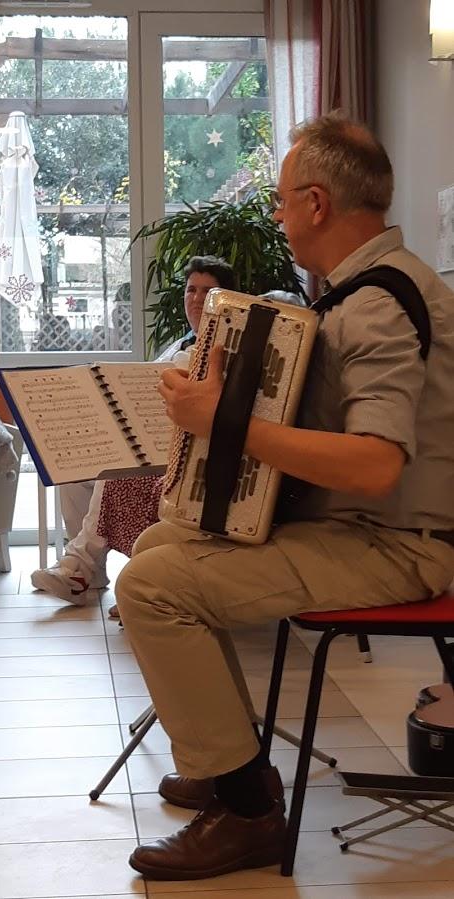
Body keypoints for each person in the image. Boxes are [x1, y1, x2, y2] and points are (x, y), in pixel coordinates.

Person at [115, 113, 454, 881]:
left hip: (401, 545)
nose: (275, 216)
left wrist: (222, 419)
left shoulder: (378, 305)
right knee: (156, 547)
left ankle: (247, 811)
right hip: (364, 531)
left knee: (153, 585)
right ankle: (228, 757)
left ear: (316, 204)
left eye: (278, 201)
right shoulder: (361, 293)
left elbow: (374, 467)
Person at [30, 255, 235, 605]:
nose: (197, 299)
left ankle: (78, 566)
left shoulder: (227, 348)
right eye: (191, 290)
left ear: (227, 298)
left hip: (190, 456)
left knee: (115, 472)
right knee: (74, 473)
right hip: (152, 446)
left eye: (208, 291)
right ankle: (90, 574)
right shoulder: (178, 344)